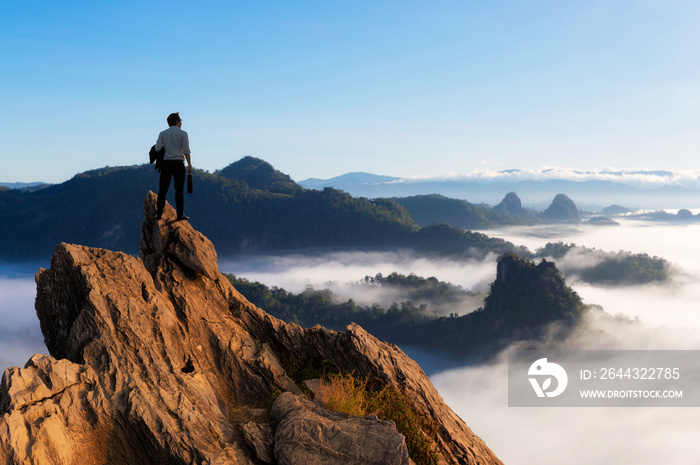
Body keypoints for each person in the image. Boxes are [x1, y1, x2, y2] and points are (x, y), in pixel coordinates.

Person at [154, 112, 192, 220]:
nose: (181, 123)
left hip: (166, 165)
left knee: (163, 190)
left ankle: (159, 214)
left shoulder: (162, 134)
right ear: (177, 121)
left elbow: (157, 148)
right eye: (180, 121)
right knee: (179, 190)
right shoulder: (183, 134)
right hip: (179, 164)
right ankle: (180, 214)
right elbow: (186, 150)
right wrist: (189, 164)